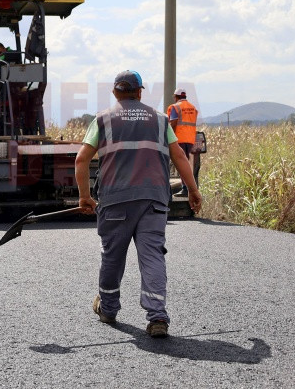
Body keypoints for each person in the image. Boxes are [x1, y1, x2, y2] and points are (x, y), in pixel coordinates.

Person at [75, 70, 202, 338]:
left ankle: (108, 308)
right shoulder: (159, 119)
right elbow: (179, 155)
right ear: (140, 92)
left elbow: (81, 160)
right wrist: (193, 190)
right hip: (154, 199)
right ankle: (157, 317)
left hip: (115, 200)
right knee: (152, 255)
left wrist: (85, 196)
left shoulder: (103, 119)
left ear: (115, 92)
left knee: (112, 255)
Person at [167, 88, 199, 197]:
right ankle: (187, 187)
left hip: (178, 138)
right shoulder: (192, 107)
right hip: (190, 139)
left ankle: (185, 189)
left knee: (180, 163)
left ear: (176, 97)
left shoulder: (176, 107)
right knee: (186, 162)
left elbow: (173, 122)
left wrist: (169, 137)